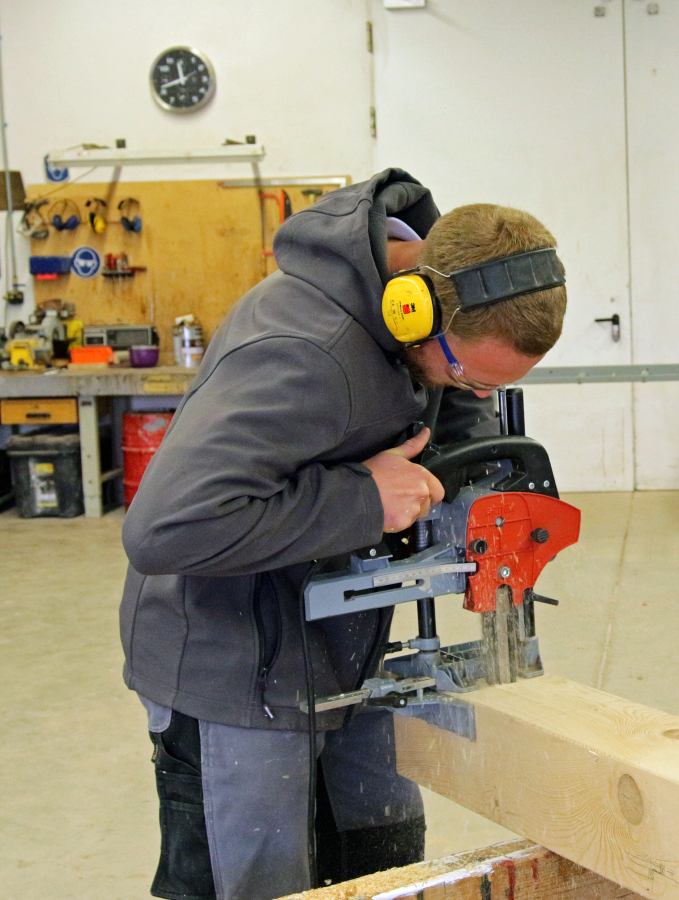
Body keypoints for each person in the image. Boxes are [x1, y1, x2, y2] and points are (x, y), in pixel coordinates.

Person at [120, 168, 567, 900]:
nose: (479, 397)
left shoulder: (425, 321)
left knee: (382, 855)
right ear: (411, 309)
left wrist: (484, 499)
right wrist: (363, 498)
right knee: (260, 883)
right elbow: (167, 527)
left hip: (340, 644)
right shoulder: (303, 350)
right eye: (472, 377)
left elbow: (449, 406)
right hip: (235, 669)